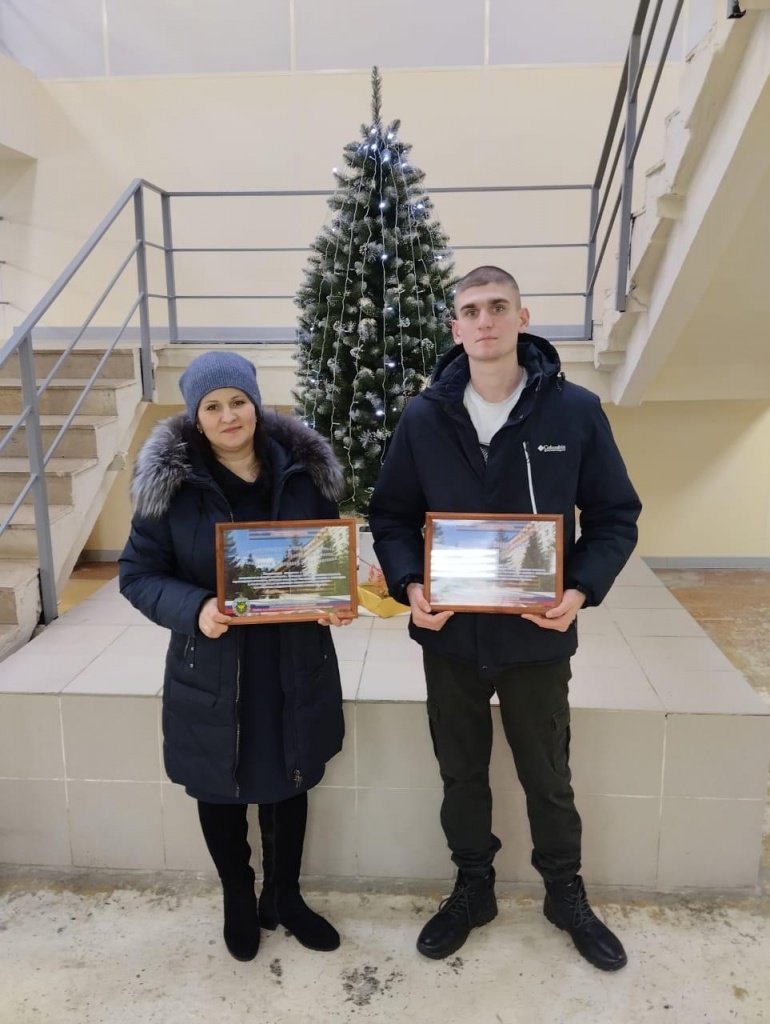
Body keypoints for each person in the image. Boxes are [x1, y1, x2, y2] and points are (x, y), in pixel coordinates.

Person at [368, 266, 642, 972]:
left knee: (548, 775)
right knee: (461, 773)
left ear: (522, 318)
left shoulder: (574, 411)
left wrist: (580, 589)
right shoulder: (424, 416)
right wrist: (409, 582)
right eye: (470, 310)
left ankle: (565, 893)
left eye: (497, 307)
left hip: (537, 635)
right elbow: (391, 516)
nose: (484, 321)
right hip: (450, 636)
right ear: (455, 328)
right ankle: (474, 887)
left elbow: (615, 516)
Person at [119, 351, 350, 962]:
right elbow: (138, 574)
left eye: (238, 402)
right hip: (214, 664)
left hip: (291, 661)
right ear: (196, 417)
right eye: (213, 406)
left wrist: (335, 599)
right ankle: (239, 897)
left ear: (256, 404)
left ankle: (285, 897)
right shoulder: (171, 489)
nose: (229, 416)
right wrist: (195, 607)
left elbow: (323, 560)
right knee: (218, 785)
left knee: (289, 777)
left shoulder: (303, 474)